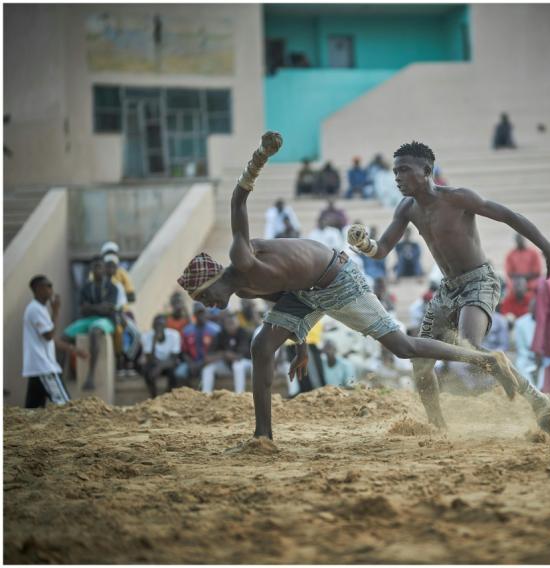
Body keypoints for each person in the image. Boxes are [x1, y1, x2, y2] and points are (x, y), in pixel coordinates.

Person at [182, 133, 530, 439]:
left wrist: (259, 157)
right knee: (261, 345)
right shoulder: (243, 290)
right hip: (306, 289)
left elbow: (237, 202)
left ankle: (486, 361)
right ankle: (262, 436)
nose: (207, 305)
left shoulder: (241, 258)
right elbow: (288, 296)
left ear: (213, 281)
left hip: (339, 278)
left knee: (403, 347)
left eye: (204, 297)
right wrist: (300, 342)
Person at [347, 139, 550, 433]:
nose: (398, 178)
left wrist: (549, 252)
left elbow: (510, 217)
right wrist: (365, 244)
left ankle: (538, 401)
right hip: (448, 288)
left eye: (404, 170)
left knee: (471, 344)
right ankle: (438, 425)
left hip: (479, 280)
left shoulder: (457, 198)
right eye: (394, 172)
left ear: (426, 170)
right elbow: (383, 248)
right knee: (420, 360)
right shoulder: (406, 209)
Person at [23, 275, 86, 407]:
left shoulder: (41, 309)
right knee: (66, 409)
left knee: (31, 414)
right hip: (44, 368)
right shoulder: (34, 309)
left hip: (38, 369)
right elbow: (49, 335)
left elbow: (50, 340)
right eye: (49, 286)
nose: (52, 289)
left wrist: (73, 349)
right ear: (39, 289)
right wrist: (56, 311)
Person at [62, 256, 119, 390]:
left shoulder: (112, 287)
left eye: (100, 266)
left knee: (94, 331)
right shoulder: (86, 287)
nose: (97, 269)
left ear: (104, 269)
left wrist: (91, 307)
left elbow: (108, 309)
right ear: (91, 269)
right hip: (89, 319)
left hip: (107, 320)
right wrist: (99, 307)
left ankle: (90, 377)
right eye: (94, 267)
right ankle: (60, 376)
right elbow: (82, 309)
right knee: (65, 336)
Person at [200, 312, 252, 394]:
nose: (231, 325)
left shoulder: (244, 333)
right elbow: (207, 358)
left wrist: (226, 355)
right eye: (228, 323)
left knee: (237, 365)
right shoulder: (221, 335)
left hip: (247, 365)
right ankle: (205, 394)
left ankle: (240, 395)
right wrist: (223, 354)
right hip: (227, 365)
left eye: (233, 322)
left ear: (238, 322)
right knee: (208, 369)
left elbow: (239, 356)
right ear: (224, 324)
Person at [175, 302, 221, 387]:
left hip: (208, 362)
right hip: (192, 362)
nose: (201, 316)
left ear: (206, 313)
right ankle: (188, 393)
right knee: (179, 373)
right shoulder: (187, 330)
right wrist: (190, 363)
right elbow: (184, 351)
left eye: (203, 312)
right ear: (194, 315)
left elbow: (218, 351)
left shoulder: (215, 330)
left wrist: (202, 363)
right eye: (198, 313)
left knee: (207, 373)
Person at [139, 314, 181, 398]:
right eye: (156, 325)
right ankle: (153, 396)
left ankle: (169, 395)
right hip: (154, 363)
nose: (159, 327)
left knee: (174, 372)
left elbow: (173, 358)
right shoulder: (147, 336)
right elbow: (149, 358)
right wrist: (154, 343)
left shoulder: (174, 335)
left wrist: (160, 367)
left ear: (165, 326)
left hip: (168, 363)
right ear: (153, 327)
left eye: (161, 325)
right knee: (147, 370)